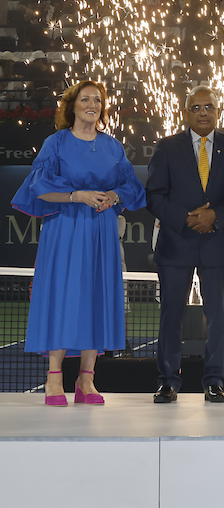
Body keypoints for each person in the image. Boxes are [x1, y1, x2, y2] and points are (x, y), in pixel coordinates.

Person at [12, 80, 146, 406]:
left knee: (97, 295)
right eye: (85, 99)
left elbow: (131, 186)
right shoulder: (56, 143)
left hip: (101, 229)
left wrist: (114, 195)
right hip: (65, 227)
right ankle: (53, 378)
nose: (92, 104)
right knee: (64, 295)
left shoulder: (113, 147)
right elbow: (40, 187)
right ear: (72, 106)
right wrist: (77, 195)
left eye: (97, 100)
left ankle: (87, 380)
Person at [146, 85, 224, 404]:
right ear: (185, 112)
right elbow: (154, 196)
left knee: (218, 315)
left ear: (218, 112)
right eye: (196, 108)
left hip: (216, 244)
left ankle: (215, 380)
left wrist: (215, 217)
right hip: (177, 243)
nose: (203, 113)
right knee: (171, 314)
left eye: (209, 107)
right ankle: (168, 380)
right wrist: (185, 218)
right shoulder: (166, 148)